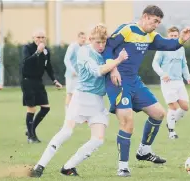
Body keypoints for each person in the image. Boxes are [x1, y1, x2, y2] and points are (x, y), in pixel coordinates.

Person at [102, 5, 190, 177]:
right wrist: (112, 68)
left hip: (134, 81)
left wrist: (181, 39)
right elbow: (107, 47)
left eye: (159, 22)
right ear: (145, 17)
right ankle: (122, 166)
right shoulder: (127, 29)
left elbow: (169, 45)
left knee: (158, 113)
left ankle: (144, 150)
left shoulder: (151, 36)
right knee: (127, 122)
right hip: (118, 80)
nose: (156, 25)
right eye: (155, 21)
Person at [29, 24, 128, 177]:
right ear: (90, 40)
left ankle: (68, 166)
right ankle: (39, 166)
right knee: (66, 132)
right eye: (97, 42)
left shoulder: (105, 52)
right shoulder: (84, 52)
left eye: (103, 42)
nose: (101, 46)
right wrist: (119, 60)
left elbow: (109, 64)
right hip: (81, 98)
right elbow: (97, 71)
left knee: (98, 139)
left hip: (97, 102)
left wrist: (115, 68)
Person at [21, 29, 62, 143]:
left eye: (42, 37)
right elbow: (26, 63)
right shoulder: (27, 48)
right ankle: (31, 137)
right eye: (38, 37)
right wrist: (37, 52)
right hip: (27, 80)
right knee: (32, 108)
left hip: (38, 81)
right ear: (33, 38)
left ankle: (30, 130)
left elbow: (48, 67)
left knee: (46, 107)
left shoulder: (46, 50)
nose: (40, 39)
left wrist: (54, 80)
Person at [152, 26, 190, 139]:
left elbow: (184, 64)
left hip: (179, 82)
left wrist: (188, 77)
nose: (174, 38)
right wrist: (162, 74)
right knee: (173, 107)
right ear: (167, 36)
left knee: (185, 107)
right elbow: (155, 64)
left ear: (178, 36)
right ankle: (171, 132)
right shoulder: (162, 48)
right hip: (167, 83)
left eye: (176, 36)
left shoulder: (181, 48)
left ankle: (170, 121)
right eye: (171, 36)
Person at [64, 32, 86, 110]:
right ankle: (68, 114)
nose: (83, 39)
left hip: (80, 76)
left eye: (84, 38)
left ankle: (80, 114)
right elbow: (66, 59)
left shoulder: (84, 48)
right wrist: (72, 70)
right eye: (82, 37)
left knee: (81, 95)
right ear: (78, 38)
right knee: (70, 94)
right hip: (71, 75)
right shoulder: (73, 46)